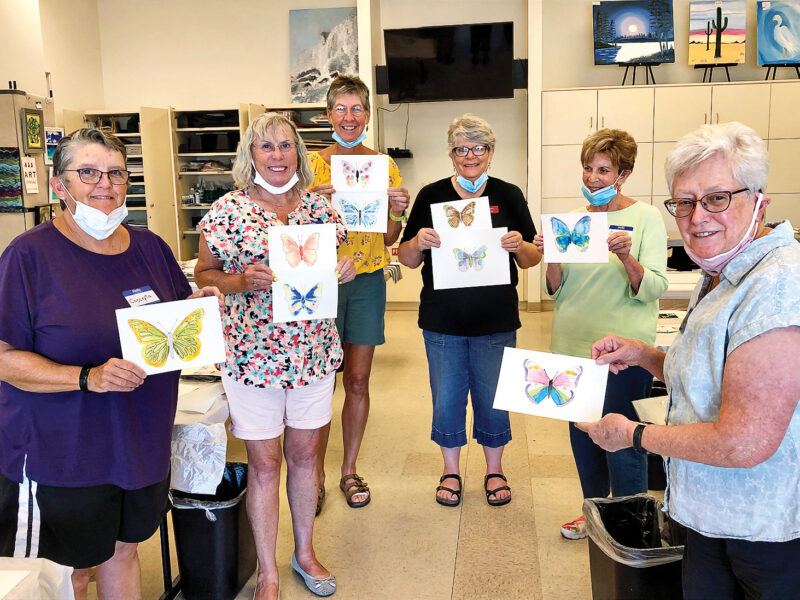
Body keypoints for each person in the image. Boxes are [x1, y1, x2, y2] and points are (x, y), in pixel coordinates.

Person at [580, 122, 800, 599]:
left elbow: (745, 442)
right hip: (705, 513)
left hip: (762, 529)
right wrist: (644, 356)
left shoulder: (777, 287)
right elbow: (709, 375)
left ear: (758, 199)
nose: (697, 216)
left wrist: (633, 435)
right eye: (684, 201)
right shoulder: (724, 269)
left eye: (717, 198)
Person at [0, 128, 221, 600]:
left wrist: (197, 306)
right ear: (60, 185)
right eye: (88, 172)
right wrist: (87, 377)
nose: (106, 183)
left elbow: (172, 320)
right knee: (74, 571)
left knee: (124, 550)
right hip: (66, 450)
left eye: (116, 172)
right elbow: (4, 359)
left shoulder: (150, 247)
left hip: (139, 439)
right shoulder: (28, 256)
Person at [195, 112, 355, 600]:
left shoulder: (320, 211)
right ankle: (267, 571)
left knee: (306, 457)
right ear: (251, 154)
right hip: (252, 356)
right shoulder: (227, 212)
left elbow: (336, 263)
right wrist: (241, 281)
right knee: (265, 463)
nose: (278, 155)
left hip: (313, 353)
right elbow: (205, 273)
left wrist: (343, 269)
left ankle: (303, 552)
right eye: (267, 146)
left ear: (299, 154)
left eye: (286, 145)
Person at [398, 114, 541, 507]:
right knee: (446, 398)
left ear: (491, 153)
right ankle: (451, 470)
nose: (470, 156)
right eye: (462, 149)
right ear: (452, 154)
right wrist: (418, 241)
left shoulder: (508, 194)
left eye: (478, 148)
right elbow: (407, 258)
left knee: (493, 397)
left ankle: (494, 470)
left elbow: (531, 258)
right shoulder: (430, 195)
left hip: (495, 319)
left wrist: (518, 245)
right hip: (442, 319)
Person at [533, 128, 667, 540]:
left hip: (622, 354)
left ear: (623, 174)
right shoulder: (572, 223)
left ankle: (627, 522)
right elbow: (553, 288)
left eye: (603, 170)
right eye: (588, 168)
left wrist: (627, 256)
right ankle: (593, 514)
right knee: (584, 439)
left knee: (621, 437)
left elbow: (655, 287)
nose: (592, 177)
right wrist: (550, 256)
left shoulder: (645, 219)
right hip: (572, 348)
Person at [308, 75, 410, 510]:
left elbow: (388, 237)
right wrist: (311, 199)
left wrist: (397, 210)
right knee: (318, 381)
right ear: (328, 114)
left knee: (357, 378)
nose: (349, 117)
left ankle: (349, 469)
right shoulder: (310, 165)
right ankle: (313, 474)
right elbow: (289, 228)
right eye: (341, 109)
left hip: (367, 279)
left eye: (357, 109)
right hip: (320, 280)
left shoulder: (383, 166)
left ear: (368, 116)